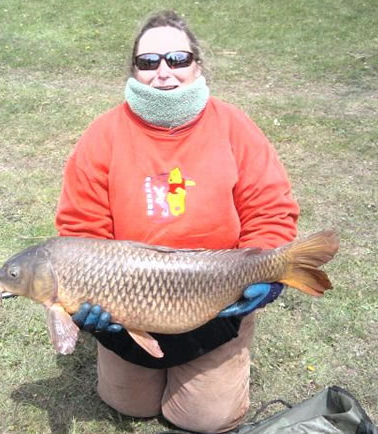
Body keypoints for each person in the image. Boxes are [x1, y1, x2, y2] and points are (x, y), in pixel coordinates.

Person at [54, 10, 299, 434]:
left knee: (206, 419)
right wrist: (86, 292)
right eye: (148, 62)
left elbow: (270, 207)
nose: (163, 71)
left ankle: (223, 352)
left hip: (213, 291)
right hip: (129, 295)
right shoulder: (103, 133)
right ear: (133, 69)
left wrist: (267, 271)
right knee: (128, 404)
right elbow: (81, 227)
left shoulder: (234, 125)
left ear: (197, 65)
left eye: (177, 59)